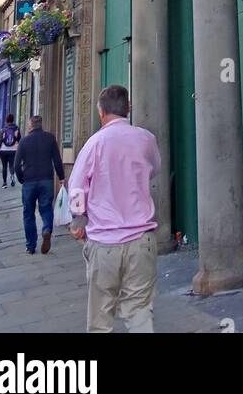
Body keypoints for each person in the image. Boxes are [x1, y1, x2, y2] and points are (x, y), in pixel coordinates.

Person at [69, 85, 161, 334]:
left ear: (101, 112)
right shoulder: (145, 138)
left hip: (104, 242)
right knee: (140, 311)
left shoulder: (93, 144)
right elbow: (154, 168)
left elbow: (76, 189)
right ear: (127, 108)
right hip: (141, 241)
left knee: (100, 318)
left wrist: (78, 220)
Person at [14, 114, 65, 255]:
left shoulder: (24, 141)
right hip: (46, 180)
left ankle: (30, 246)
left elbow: (16, 164)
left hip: (29, 181)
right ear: (41, 125)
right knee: (46, 208)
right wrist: (61, 177)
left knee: (28, 213)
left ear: (30, 126)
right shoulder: (49, 138)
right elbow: (57, 159)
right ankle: (47, 229)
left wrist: (21, 179)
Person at [0, 113, 21, 188]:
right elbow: (20, 139)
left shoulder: (3, 129)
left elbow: (0, 140)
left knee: (4, 166)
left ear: (6, 121)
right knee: (11, 165)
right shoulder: (16, 129)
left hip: (3, 150)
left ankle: (4, 183)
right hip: (13, 150)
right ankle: (12, 176)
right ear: (13, 120)